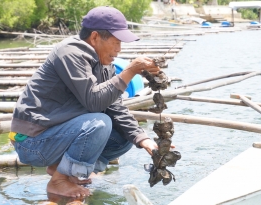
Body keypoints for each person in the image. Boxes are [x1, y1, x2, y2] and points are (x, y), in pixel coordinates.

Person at [9, 6, 160, 198]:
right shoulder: (70, 52)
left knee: (125, 138)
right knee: (99, 123)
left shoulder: (105, 65)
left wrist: (144, 140)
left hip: (55, 136)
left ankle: (67, 172)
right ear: (95, 37)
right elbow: (94, 102)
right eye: (115, 42)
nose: (119, 49)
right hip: (31, 142)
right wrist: (129, 71)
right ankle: (59, 181)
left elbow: (115, 108)